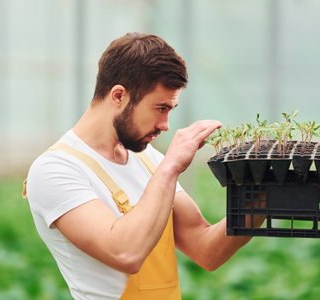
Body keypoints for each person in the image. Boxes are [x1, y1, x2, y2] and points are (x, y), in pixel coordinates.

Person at [24, 32, 264, 300]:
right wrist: (170, 167)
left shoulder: (149, 159)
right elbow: (125, 253)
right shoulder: (56, 169)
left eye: (170, 110)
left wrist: (261, 198)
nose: (165, 125)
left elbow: (206, 248)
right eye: (160, 108)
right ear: (118, 96)